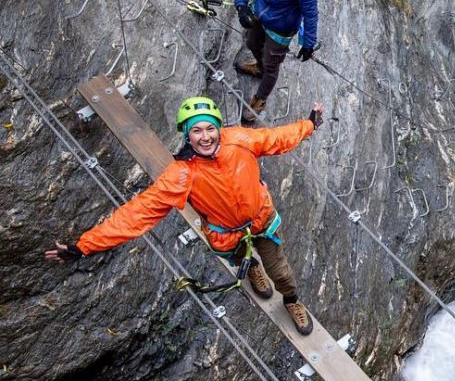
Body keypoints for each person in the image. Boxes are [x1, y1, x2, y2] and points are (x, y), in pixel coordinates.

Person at [45, 96, 324, 336]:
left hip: (261, 221)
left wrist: (309, 124)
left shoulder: (240, 139)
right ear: (187, 136)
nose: (205, 137)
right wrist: (84, 247)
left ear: (219, 128)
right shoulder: (183, 174)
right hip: (227, 235)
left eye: (210, 128)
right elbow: (137, 214)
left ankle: (291, 300)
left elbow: (277, 137)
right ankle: (251, 269)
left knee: (281, 271)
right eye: (197, 131)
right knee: (242, 259)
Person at [234, 0, 319, 125]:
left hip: (281, 28)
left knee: (272, 65)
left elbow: (310, 13)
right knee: (252, 44)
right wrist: (241, 6)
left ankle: (260, 98)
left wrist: (308, 44)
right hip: (260, 15)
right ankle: (259, 67)